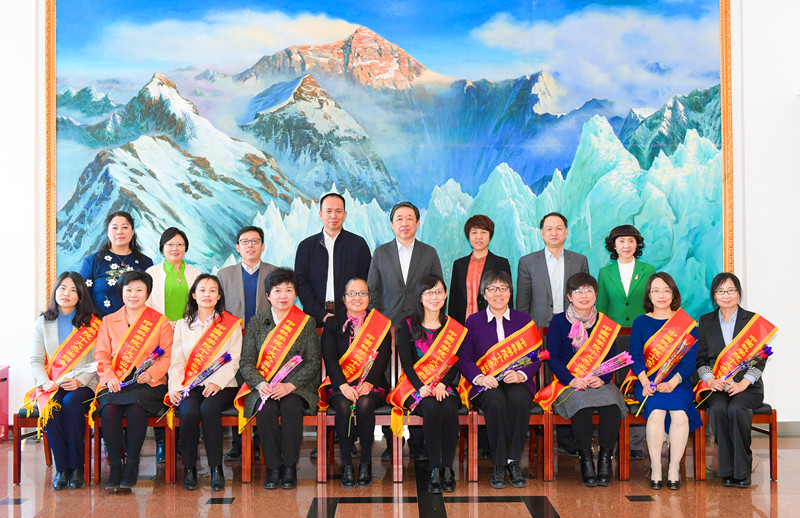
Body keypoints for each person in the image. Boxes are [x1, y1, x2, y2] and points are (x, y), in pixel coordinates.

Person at [368, 201, 443, 460]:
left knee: (420, 378)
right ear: (392, 224)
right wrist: (378, 326)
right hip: (388, 329)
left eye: (410, 218)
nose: (404, 223)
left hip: (421, 328)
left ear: (417, 222)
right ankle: (393, 441)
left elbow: (437, 289)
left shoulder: (429, 253)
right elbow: (373, 291)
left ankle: (419, 442)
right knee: (391, 381)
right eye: (399, 218)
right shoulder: (380, 253)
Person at [237, 268, 320, 490]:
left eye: (289, 290)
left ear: (296, 294)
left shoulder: (306, 323)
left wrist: (290, 385)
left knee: (291, 408)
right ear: (268, 295)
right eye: (277, 290)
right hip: (264, 386)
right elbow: (246, 362)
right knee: (266, 410)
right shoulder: (256, 323)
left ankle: (290, 467)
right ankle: (273, 467)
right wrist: (260, 384)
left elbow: (313, 362)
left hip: (297, 387)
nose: (283, 295)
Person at [543, 273, 627, 487]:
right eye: (578, 291)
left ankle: (605, 460)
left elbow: (612, 358)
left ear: (595, 295)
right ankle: (586, 460)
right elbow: (552, 357)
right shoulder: (559, 322)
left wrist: (603, 378)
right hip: (570, 383)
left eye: (588, 291)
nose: (584, 295)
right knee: (582, 406)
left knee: (612, 406)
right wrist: (570, 379)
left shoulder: (605, 324)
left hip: (599, 381)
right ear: (569, 296)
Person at [516, 211, 588, 456]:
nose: (554, 233)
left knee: (568, 377)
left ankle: (567, 439)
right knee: (541, 380)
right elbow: (522, 304)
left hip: (572, 331)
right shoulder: (527, 262)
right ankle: (539, 437)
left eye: (559, 228)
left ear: (566, 232)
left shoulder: (579, 260)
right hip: (538, 330)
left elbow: (585, 298)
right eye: (549, 228)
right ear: (541, 233)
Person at [460, 270, 540, 489]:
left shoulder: (523, 319)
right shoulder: (474, 321)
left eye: (503, 288)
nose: (498, 293)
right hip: (485, 383)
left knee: (519, 400)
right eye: (492, 289)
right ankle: (498, 463)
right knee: (495, 401)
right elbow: (465, 359)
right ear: (484, 293)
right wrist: (480, 378)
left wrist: (521, 374)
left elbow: (535, 356)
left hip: (517, 380)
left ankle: (513, 461)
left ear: (510, 292)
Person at [94, 271, 173, 491]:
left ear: (147, 293)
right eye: (128, 289)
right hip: (116, 380)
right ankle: (116, 466)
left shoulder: (160, 321)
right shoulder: (109, 321)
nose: (133, 294)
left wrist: (153, 372)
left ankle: (132, 465)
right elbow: (101, 355)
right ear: (121, 292)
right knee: (109, 408)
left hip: (147, 381)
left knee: (136, 407)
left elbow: (168, 355)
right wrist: (109, 376)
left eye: (139, 290)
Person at [168, 274, 242, 491]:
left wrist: (217, 382)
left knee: (209, 409)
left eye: (212, 290)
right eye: (202, 290)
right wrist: (175, 387)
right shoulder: (183, 325)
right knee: (189, 412)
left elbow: (234, 360)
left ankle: (216, 469)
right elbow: (177, 362)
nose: (207, 294)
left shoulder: (230, 324)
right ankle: (189, 469)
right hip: (190, 385)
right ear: (194, 295)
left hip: (223, 385)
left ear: (219, 296)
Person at [29, 272, 101, 490]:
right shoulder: (43, 322)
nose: (66, 293)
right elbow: (36, 360)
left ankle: (77, 466)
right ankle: (62, 468)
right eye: (62, 288)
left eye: (73, 290)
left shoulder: (92, 323)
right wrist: (44, 382)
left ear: (80, 295)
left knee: (71, 403)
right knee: (52, 408)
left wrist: (80, 381)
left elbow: (98, 361)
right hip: (53, 384)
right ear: (55, 291)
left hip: (85, 383)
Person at [696, 273, 768, 488]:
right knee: (718, 409)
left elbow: (761, 357)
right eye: (720, 291)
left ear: (739, 293)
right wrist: (710, 380)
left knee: (737, 410)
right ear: (714, 295)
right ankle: (727, 470)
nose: (726, 295)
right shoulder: (706, 321)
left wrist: (743, 383)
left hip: (748, 387)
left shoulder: (752, 321)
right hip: (717, 386)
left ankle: (742, 470)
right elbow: (701, 358)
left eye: (731, 290)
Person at [630, 272, 701, 490]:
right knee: (657, 413)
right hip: (648, 383)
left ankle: (673, 468)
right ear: (649, 295)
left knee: (680, 414)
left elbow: (689, 362)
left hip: (679, 383)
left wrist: (673, 383)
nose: (661, 295)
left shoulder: (687, 324)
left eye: (666, 291)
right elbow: (636, 358)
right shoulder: (641, 322)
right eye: (656, 291)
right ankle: (655, 467)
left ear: (673, 294)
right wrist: (645, 382)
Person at [395, 274, 463, 493]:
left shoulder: (453, 328)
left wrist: (442, 384)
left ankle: (447, 469)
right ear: (420, 297)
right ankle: (434, 469)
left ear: (445, 295)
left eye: (439, 292)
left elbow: (457, 363)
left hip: (445, 386)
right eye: (429, 292)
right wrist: (421, 387)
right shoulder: (407, 326)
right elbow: (407, 364)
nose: (434, 297)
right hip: (416, 387)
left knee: (450, 407)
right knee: (432, 408)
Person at [320, 278, 391, 488]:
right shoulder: (332, 324)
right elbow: (330, 358)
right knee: (343, 405)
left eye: (362, 293)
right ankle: (348, 465)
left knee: (364, 403)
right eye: (352, 293)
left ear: (369, 297)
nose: (357, 298)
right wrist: (342, 385)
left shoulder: (380, 324)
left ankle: (366, 463)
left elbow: (383, 358)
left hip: (372, 385)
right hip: (339, 385)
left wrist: (368, 383)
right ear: (343, 298)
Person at [596, 224, 656, 460]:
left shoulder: (648, 269)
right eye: (621, 241)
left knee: (638, 382)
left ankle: (635, 443)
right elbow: (601, 308)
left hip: (642, 334)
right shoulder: (605, 273)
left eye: (631, 241)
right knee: (616, 383)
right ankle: (612, 441)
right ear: (613, 245)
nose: (626, 245)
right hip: (613, 337)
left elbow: (652, 303)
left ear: (637, 244)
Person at [217, 225, 276, 460]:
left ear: (263, 246)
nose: (250, 245)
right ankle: (238, 443)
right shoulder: (224, 275)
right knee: (238, 388)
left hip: (268, 341)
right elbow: (219, 310)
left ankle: (263, 441)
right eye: (245, 241)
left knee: (263, 387)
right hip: (234, 341)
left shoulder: (274, 273)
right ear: (237, 247)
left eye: (255, 241)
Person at [295, 192, 372, 327]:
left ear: (345, 214)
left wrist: (351, 312)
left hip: (351, 318)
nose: (333, 215)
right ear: (321, 214)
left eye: (338, 211)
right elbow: (301, 284)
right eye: (328, 211)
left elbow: (366, 282)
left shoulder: (358, 244)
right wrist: (321, 315)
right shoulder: (306, 246)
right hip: (314, 319)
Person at [80, 210, 154, 315]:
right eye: (114, 228)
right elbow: (82, 297)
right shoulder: (92, 262)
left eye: (125, 227)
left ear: (132, 231)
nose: (119, 232)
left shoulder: (145, 262)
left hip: (137, 324)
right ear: (108, 232)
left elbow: (151, 299)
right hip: (101, 323)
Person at [449, 215, 512, 325]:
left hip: (492, 324)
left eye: (483, 232)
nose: (479, 237)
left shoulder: (501, 263)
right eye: (474, 232)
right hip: (463, 325)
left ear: (490, 236)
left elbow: (507, 298)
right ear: (468, 236)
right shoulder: (459, 264)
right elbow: (454, 301)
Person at [145, 227, 201, 323]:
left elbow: (200, 305)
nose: (175, 249)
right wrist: (165, 324)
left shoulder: (196, 273)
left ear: (185, 248)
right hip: (160, 327)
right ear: (162, 248)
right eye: (170, 244)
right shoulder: (152, 272)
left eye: (180, 244)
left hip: (188, 327)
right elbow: (146, 304)